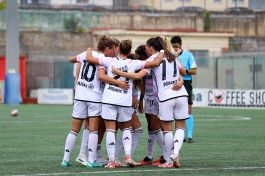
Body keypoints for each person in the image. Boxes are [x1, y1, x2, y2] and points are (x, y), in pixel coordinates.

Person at [85, 39, 165, 169]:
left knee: (110, 129)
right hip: (124, 101)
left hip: (109, 99)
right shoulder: (134, 63)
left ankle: (111, 161)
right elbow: (156, 62)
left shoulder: (109, 61)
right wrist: (162, 50)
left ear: (118, 49)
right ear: (129, 51)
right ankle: (128, 155)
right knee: (127, 129)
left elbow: (89, 58)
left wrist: (89, 48)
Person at [112, 36, 188, 168]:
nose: (145, 48)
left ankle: (168, 159)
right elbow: (183, 72)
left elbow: (137, 76)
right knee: (180, 127)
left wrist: (118, 72)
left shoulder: (153, 59)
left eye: (147, 46)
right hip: (181, 95)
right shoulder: (173, 56)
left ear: (151, 48)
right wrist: (180, 78)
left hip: (164, 97)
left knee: (166, 130)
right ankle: (174, 154)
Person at [60, 36, 128, 168]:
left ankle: (65, 159)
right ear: (107, 48)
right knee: (93, 130)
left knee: (74, 130)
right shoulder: (105, 59)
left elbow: (71, 59)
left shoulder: (86, 54)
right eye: (113, 49)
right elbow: (101, 76)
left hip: (80, 96)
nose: (114, 52)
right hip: (94, 98)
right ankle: (91, 161)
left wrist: (85, 53)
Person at [171, 36, 197, 143]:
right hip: (174, 83)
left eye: (176, 46)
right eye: (173, 46)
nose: (175, 48)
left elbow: (194, 71)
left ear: (180, 44)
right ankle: (178, 134)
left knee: (188, 109)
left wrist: (184, 71)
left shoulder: (188, 55)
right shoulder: (171, 56)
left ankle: (189, 135)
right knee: (175, 108)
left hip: (186, 83)